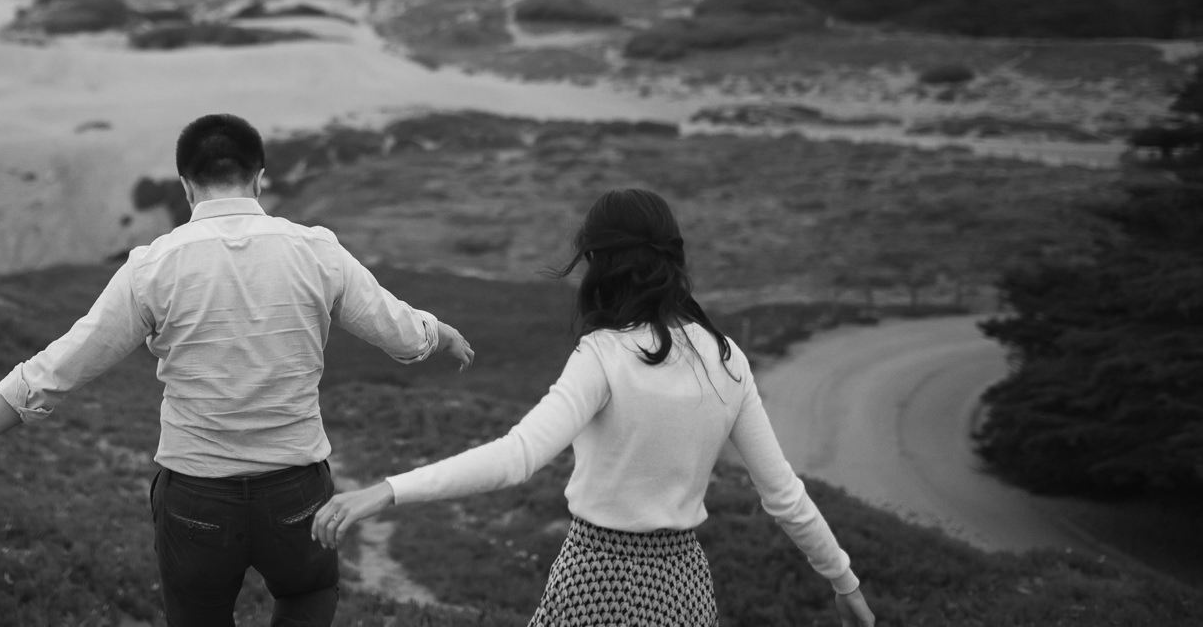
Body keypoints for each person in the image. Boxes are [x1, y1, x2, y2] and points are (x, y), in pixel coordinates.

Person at [0, 112, 475, 627]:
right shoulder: (316, 249)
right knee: (310, 591)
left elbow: (51, 374)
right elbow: (401, 334)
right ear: (259, 175)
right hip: (295, 490)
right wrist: (440, 332)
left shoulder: (153, 267)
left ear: (185, 185)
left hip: (196, 498)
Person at [311, 188, 877, 627]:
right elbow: (784, 496)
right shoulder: (728, 359)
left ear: (600, 264)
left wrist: (387, 490)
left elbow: (519, 456)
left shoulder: (604, 353)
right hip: (683, 587)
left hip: (594, 576)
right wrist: (845, 583)